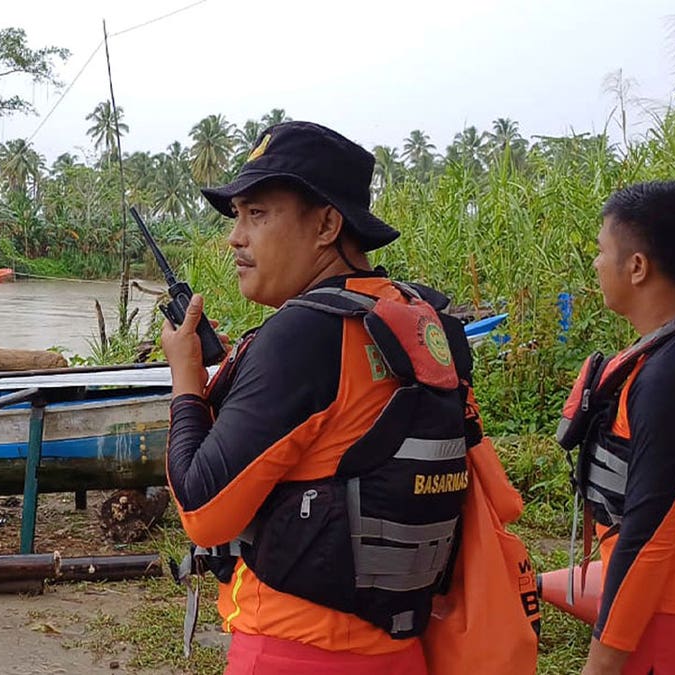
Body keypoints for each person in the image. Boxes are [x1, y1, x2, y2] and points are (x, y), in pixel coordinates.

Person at [160, 121, 480, 674]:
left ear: (328, 224)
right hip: (401, 651)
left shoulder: (304, 334)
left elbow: (202, 511)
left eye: (257, 214)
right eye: (236, 216)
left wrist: (186, 377)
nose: (235, 237)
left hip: (294, 650)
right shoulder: (425, 322)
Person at [556, 180, 675, 675]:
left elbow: (650, 534)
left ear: (637, 266)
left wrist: (601, 662)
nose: (598, 265)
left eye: (603, 251)